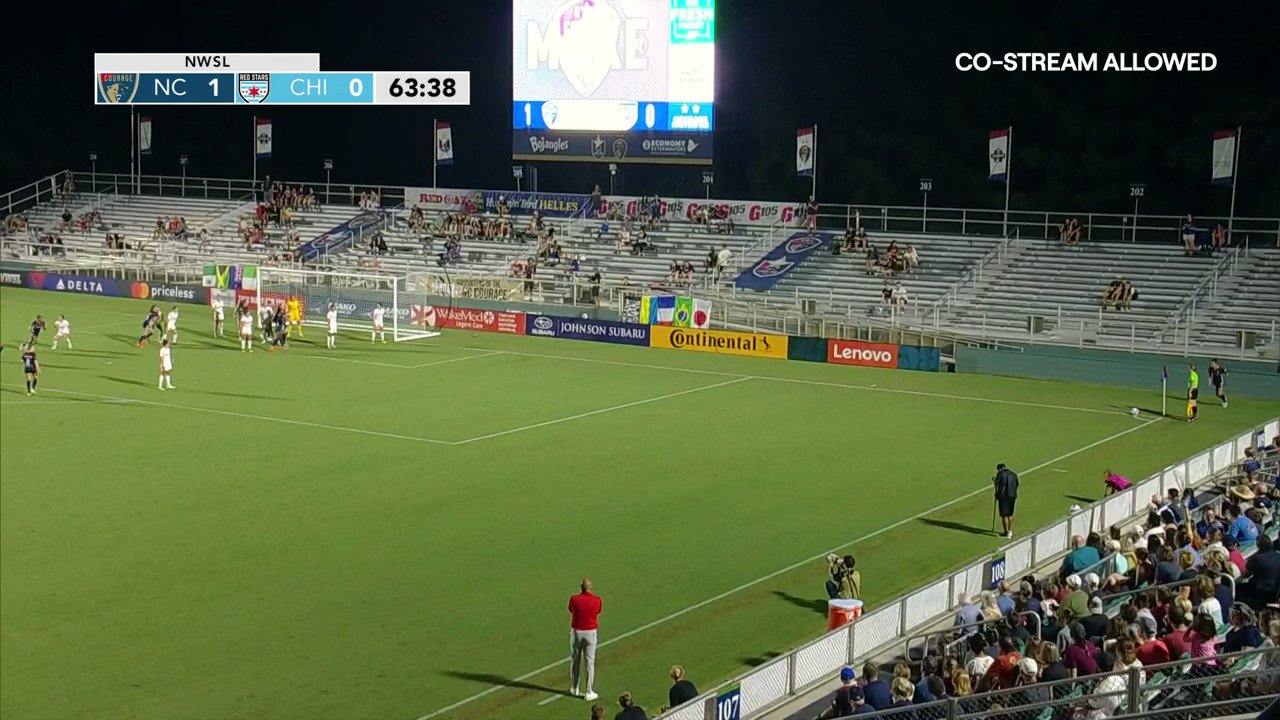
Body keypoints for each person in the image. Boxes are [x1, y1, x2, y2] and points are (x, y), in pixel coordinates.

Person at [569, 579, 602, 702]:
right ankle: (589, 691)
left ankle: (575, 687)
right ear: (590, 587)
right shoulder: (597, 600)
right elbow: (598, 611)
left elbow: (571, 609)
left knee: (575, 659)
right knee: (589, 661)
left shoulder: (574, 599)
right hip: (590, 632)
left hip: (577, 632)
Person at [994, 463, 1019, 538]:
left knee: (1004, 515)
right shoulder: (1013, 474)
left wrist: (997, 495)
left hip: (1004, 496)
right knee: (1010, 514)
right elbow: (1017, 484)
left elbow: (997, 485)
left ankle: (1006, 532)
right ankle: (1010, 530)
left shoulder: (1000, 474)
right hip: (1012, 495)